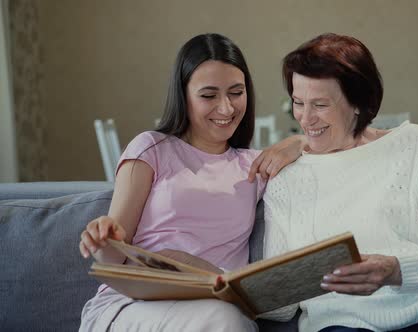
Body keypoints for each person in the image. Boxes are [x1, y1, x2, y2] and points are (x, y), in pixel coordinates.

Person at [261, 33, 418, 332]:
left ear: (359, 102)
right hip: (342, 322)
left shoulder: (417, 144)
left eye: (320, 104)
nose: (305, 118)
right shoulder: (285, 178)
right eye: (298, 102)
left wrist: (395, 270)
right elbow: (281, 307)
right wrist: (229, 291)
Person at [78, 33, 305, 331]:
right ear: (183, 95)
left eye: (236, 93)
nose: (226, 108)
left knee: (228, 320)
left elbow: (338, 146)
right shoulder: (151, 149)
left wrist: (300, 141)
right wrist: (103, 240)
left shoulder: (255, 166)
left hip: (213, 307)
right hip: (134, 307)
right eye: (209, 95)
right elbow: (111, 259)